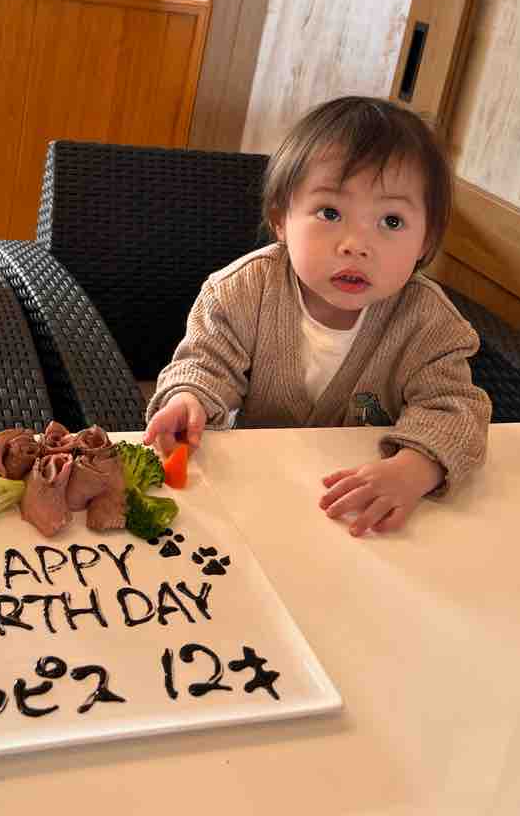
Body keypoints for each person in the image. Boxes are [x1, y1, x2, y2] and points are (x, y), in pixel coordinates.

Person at [143, 96, 491, 536]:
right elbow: (205, 364)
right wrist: (187, 399)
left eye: (391, 221)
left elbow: (456, 411)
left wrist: (415, 468)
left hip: (363, 508)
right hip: (261, 494)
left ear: (426, 240)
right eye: (330, 213)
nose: (356, 245)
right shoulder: (241, 290)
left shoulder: (429, 321)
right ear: (281, 220)